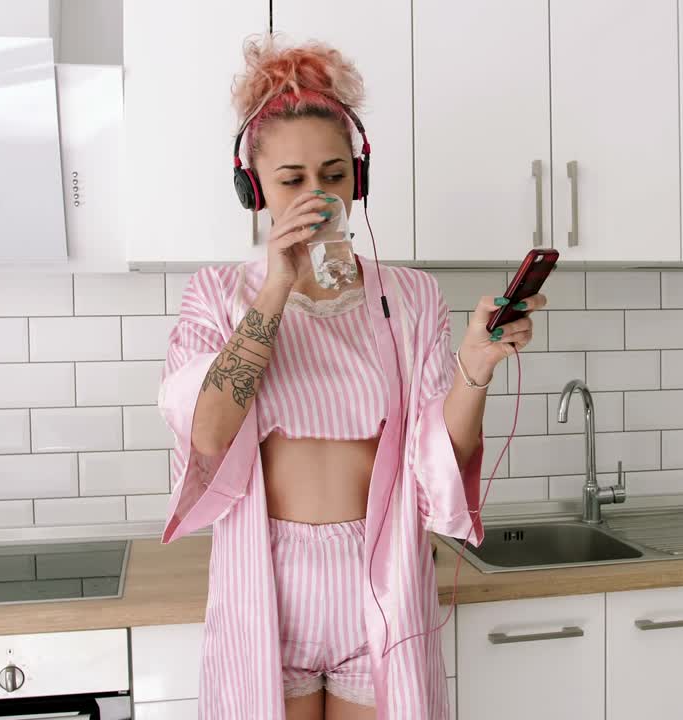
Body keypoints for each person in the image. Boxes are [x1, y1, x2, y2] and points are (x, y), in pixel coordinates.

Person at [157, 35, 545, 720]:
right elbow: (208, 432)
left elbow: (437, 457)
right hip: (269, 583)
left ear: (357, 180)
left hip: (381, 583)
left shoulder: (411, 296)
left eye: (334, 177)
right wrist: (276, 287)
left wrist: (474, 369)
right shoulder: (217, 294)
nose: (318, 198)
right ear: (254, 190)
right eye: (292, 180)